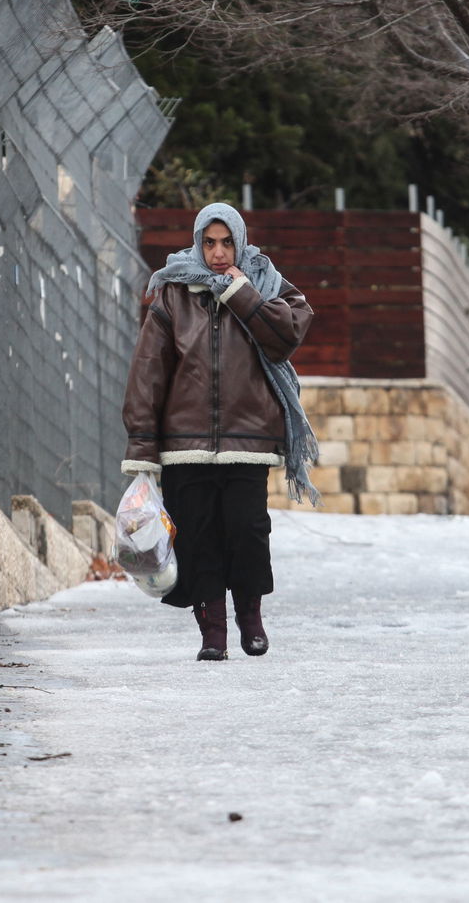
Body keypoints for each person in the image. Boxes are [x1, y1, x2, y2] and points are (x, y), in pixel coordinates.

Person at [121, 203, 318, 661]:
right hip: (184, 445)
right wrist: (143, 446)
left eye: (226, 242)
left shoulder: (266, 283)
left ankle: (251, 620)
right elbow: (149, 371)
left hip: (248, 441)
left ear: (240, 241)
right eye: (209, 243)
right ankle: (213, 635)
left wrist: (240, 293)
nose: (217, 253)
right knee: (200, 537)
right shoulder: (173, 293)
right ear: (197, 242)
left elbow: (288, 333)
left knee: (248, 533)